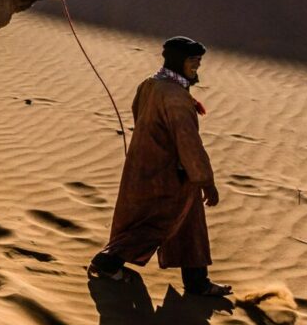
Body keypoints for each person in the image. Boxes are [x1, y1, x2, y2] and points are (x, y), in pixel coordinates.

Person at [88, 36, 231, 296]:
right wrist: (206, 181)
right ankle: (107, 262)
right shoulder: (175, 97)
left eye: (198, 61)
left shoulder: (151, 84)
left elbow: (139, 114)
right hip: (168, 175)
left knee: (189, 225)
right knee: (157, 223)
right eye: (192, 61)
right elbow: (188, 142)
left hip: (148, 167)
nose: (197, 66)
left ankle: (197, 283)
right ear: (178, 61)